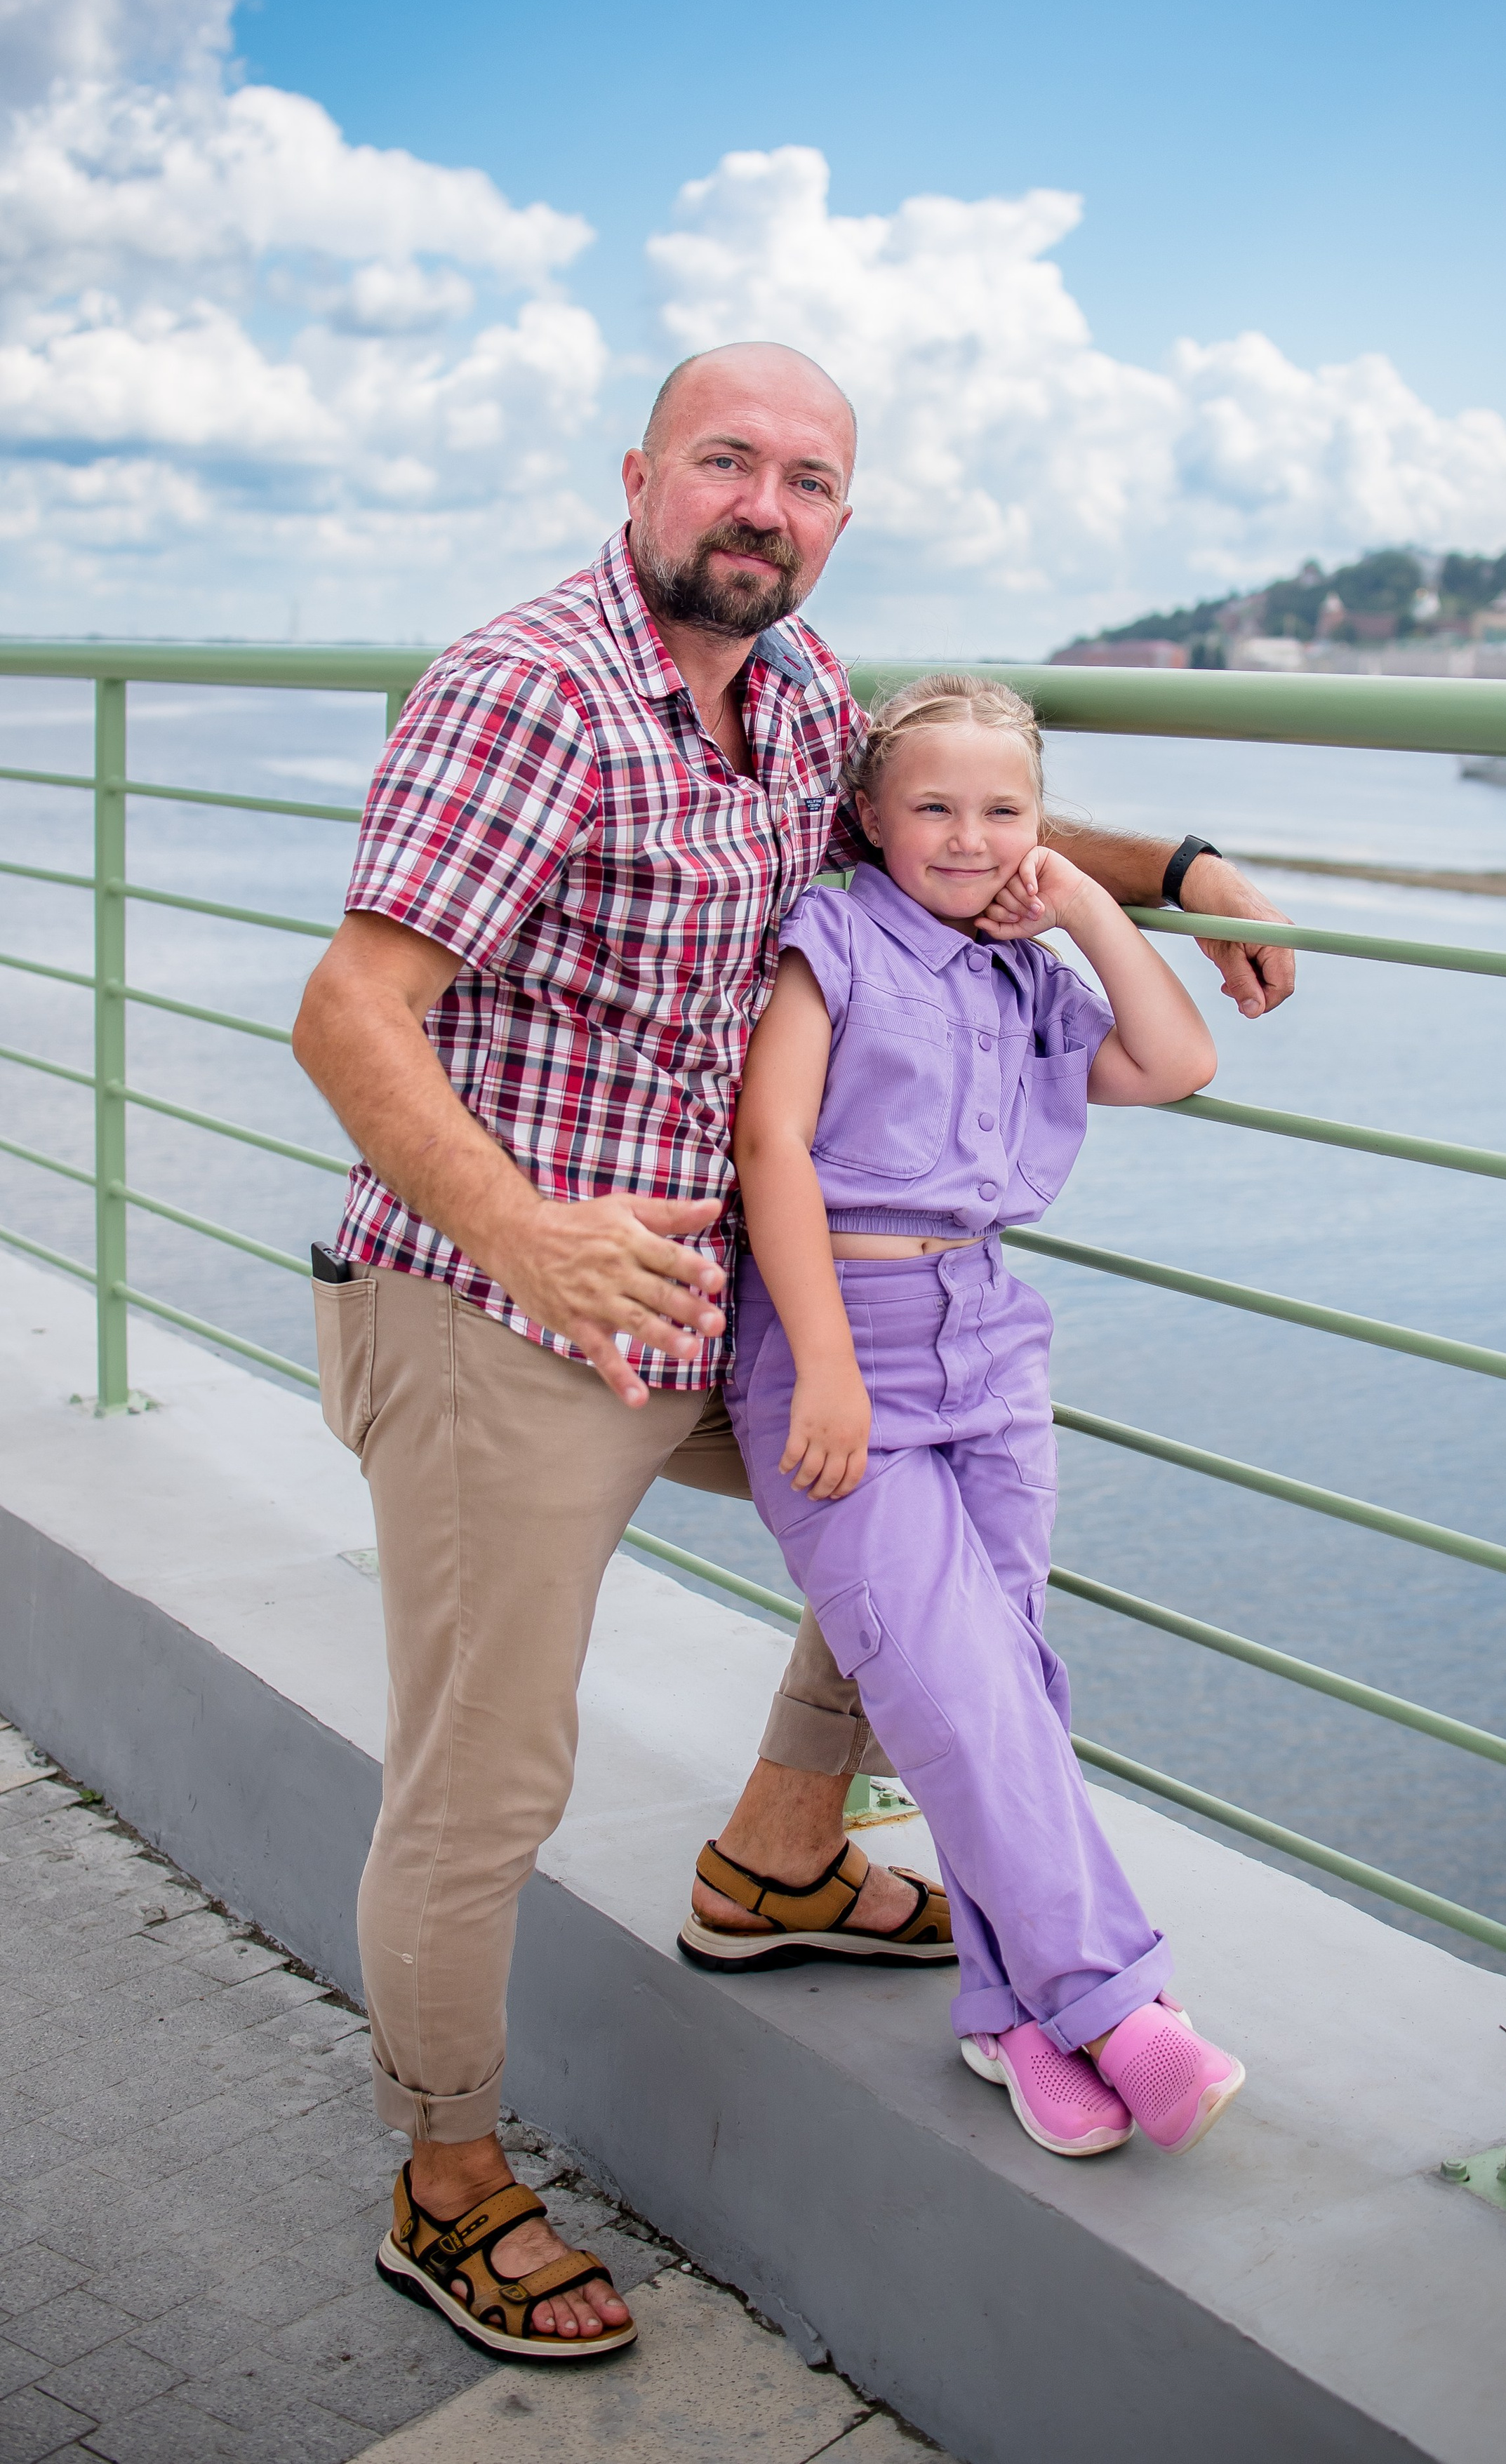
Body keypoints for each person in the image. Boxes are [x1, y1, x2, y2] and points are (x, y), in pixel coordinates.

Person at [293, 342, 1293, 2354]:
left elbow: (968, 822)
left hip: (728, 1301)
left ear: (841, 514)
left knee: (923, 1535)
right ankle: (447, 2174)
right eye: (728, 462)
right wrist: (531, 1233)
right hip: (506, 1300)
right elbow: (346, 1010)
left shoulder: (806, 689)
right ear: (643, 472)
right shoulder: (532, 690)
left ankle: (777, 1857)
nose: (767, 502)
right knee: (489, 1780)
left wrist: (1172, 875)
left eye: (810, 477)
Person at [709, 674, 1246, 2160]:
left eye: (1001, 811)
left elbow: (1173, 1058)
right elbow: (771, 1141)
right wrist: (818, 1359)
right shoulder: (831, 942)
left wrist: (1078, 902)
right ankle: (1120, 2007)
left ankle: (1010, 2016)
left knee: (1002, 1683)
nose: (965, 836)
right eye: (932, 807)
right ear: (869, 817)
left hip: (991, 1347)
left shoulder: (1023, 970)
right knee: (950, 1689)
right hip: (845, 1346)